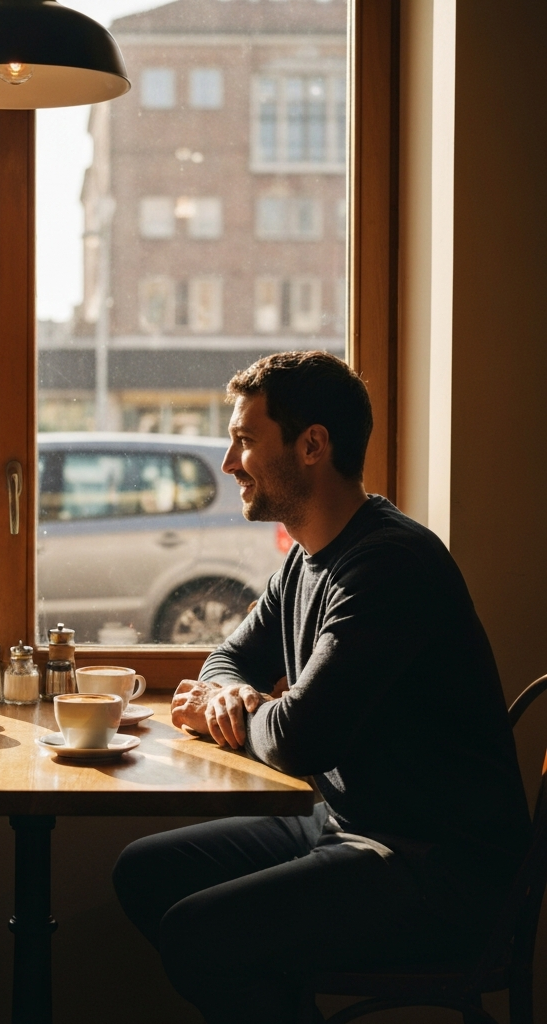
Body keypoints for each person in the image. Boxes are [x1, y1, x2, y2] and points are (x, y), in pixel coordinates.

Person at [112, 351, 531, 1024]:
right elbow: (226, 660)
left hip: (438, 871)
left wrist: (242, 711)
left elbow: (302, 737)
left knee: (200, 935)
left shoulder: (388, 566)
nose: (228, 463)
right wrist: (229, 696)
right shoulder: (307, 558)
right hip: (346, 828)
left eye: (245, 441)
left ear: (312, 445)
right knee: (145, 872)